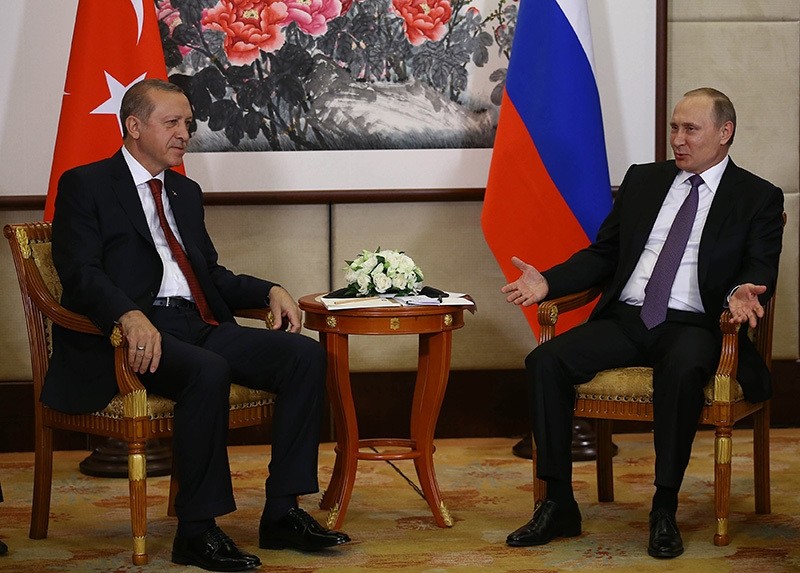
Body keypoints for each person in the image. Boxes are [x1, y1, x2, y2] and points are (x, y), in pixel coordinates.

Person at [46, 78, 350, 572]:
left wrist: (267, 289)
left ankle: (282, 513)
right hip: (130, 335)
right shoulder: (87, 184)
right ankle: (198, 531)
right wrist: (128, 314)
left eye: (188, 123)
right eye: (172, 123)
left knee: (304, 356)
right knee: (206, 370)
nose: (185, 133)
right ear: (134, 126)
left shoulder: (184, 191)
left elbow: (208, 273)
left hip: (197, 323)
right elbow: (81, 275)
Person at [501, 87, 783, 559]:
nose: (678, 139)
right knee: (545, 361)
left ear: (724, 133)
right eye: (674, 127)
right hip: (629, 317)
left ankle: (664, 508)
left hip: (695, 324)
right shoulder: (645, 181)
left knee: (683, 366)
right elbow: (605, 253)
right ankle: (558, 503)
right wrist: (548, 282)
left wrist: (742, 290)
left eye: (690, 129)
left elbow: (760, 266)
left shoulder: (756, 196)